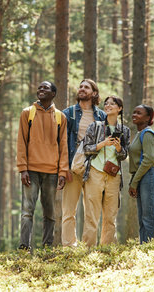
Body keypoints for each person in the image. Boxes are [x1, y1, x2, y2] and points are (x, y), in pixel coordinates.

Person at [16, 80, 68, 249]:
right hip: (31, 170)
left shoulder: (61, 117)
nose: (41, 89)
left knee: (50, 214)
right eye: (39, 87)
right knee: (27, 212)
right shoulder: (27, 113)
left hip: (52, 172)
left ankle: (47, 248)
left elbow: (63, 146)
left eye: (45, 88)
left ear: (53, 93)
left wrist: (62, 172)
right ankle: (24, 247)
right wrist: (22, 169)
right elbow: (21, 142)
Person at [61, 79, 106, 246]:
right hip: (73, 166)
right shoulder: (68, 113)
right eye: (80, 86)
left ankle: (89, 247)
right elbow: (61, 142)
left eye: (86, 87)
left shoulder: (102, 116)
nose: (82, 89)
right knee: (69, 210)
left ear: (94, 93)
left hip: (95, 166)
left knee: (92, 211)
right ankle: (69, 246)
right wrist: (63, 167)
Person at [81, 96, 130, 246]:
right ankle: (88, 251)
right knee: (91, 215)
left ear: (119, 108)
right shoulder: (95, 126)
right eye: (106, 103)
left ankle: (107, 250)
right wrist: (102, 144)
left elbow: (124, 155)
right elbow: (86, 149)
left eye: (112, 103)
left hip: (114, 175)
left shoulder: (125, 130)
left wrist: (118, 148)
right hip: (95, 172)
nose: (108, 106)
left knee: (110, 216)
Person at [128, 104, 154, 244]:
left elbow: (148, 159)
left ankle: (152, 249)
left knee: (148, 217)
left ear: (148, 118)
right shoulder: (139, 134)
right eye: (134, 112)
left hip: (149, 176)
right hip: (141, 176)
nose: (134, 115)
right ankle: (144, 248)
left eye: (139, 113)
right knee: (142, 217)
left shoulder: (147, 134)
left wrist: (134, 182)